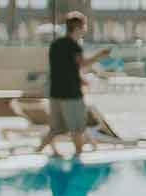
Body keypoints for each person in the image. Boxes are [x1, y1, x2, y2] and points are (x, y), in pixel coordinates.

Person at [42, 13, 109, 158]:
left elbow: (64, 68)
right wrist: (100, 55)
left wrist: (80, 77)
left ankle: (36, 151)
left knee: (55, 129)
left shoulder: (55, 44)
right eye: (84, 26)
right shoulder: (74, 46)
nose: (85, 29)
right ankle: (78, 158)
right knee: (77, 129)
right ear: (78, 27)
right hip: (71, 94)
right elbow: (82, 64)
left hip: (55, 92)